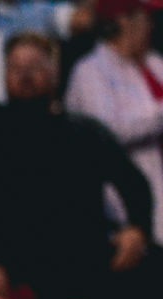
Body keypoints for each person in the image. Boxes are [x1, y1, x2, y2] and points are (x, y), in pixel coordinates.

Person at [0, 33, 152, 299]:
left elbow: (135, 184)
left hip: (90, 274)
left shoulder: (84, 132)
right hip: (23, 284)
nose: (25, 74)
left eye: (34, 65)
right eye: (15, 67)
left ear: (56, 71)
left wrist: (137, 230)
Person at [66, 0, 163, 246]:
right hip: (121, 210)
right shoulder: (90, 71)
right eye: (145, 16)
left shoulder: (154, 63)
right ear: (122, 20)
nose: (151, 25)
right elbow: (106, 134)